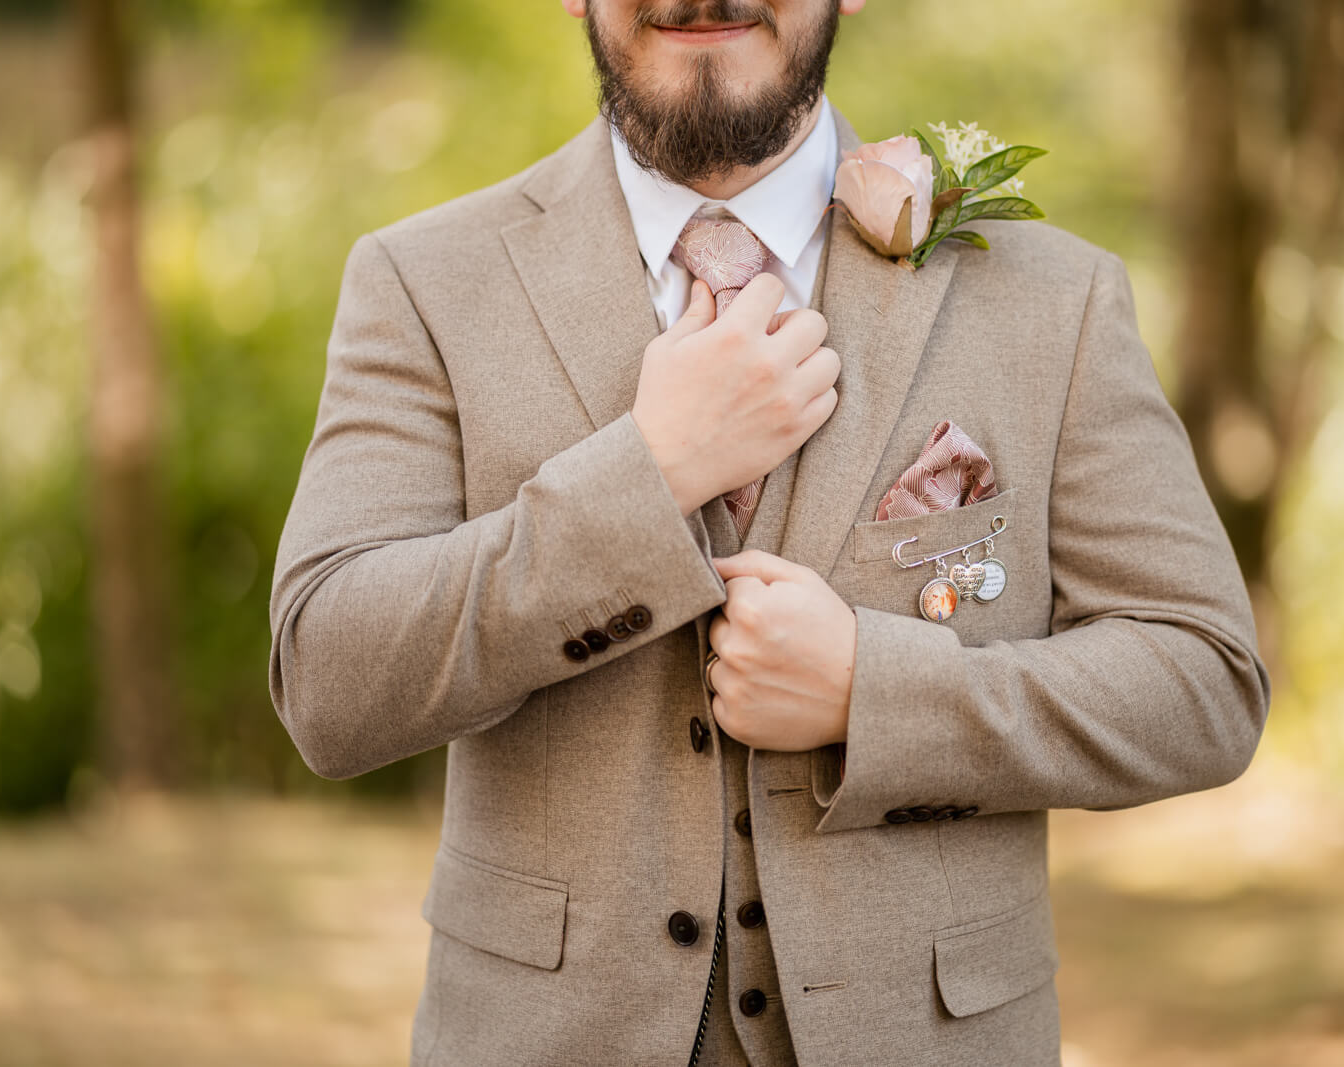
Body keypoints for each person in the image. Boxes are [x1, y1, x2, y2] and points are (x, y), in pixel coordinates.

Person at [266, 1, 1272, 1063]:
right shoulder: (423, 283)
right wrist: (647, 477)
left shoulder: (1053, 300)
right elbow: (329, 680)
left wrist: (869, 692)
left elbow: (1203, 679)